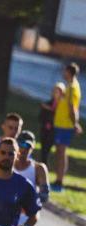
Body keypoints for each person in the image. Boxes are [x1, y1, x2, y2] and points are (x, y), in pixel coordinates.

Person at [12, 131, 49, 226]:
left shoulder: (38, 168)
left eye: (28, 146)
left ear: (32, 148)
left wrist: (29, 205)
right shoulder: (7, 162)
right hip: (3, 215)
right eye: (21, 145)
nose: (24, 149)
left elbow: (44, 195)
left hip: (23, 221)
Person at [52, 62, 81, 192]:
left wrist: (75, 124)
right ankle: (58, 179)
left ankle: (59, 182)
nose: (63, 73)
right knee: (59, 152)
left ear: (69, 72)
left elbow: (72, 108)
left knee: (62, 153)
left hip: (65, 125)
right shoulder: (69, 87)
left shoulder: (73, 88)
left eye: (65, 71)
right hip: (60, 124)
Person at [39, 83, 64, 166]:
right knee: (43, 150)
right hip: (45, 129)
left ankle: (45, 166)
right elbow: (41, 116)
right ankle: (43, 166)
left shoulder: (63, 106)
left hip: (55, 130)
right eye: (54, 91)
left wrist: (48, 109)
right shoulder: (48, 103)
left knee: (48, 149)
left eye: (58, 92)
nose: (55, 93)